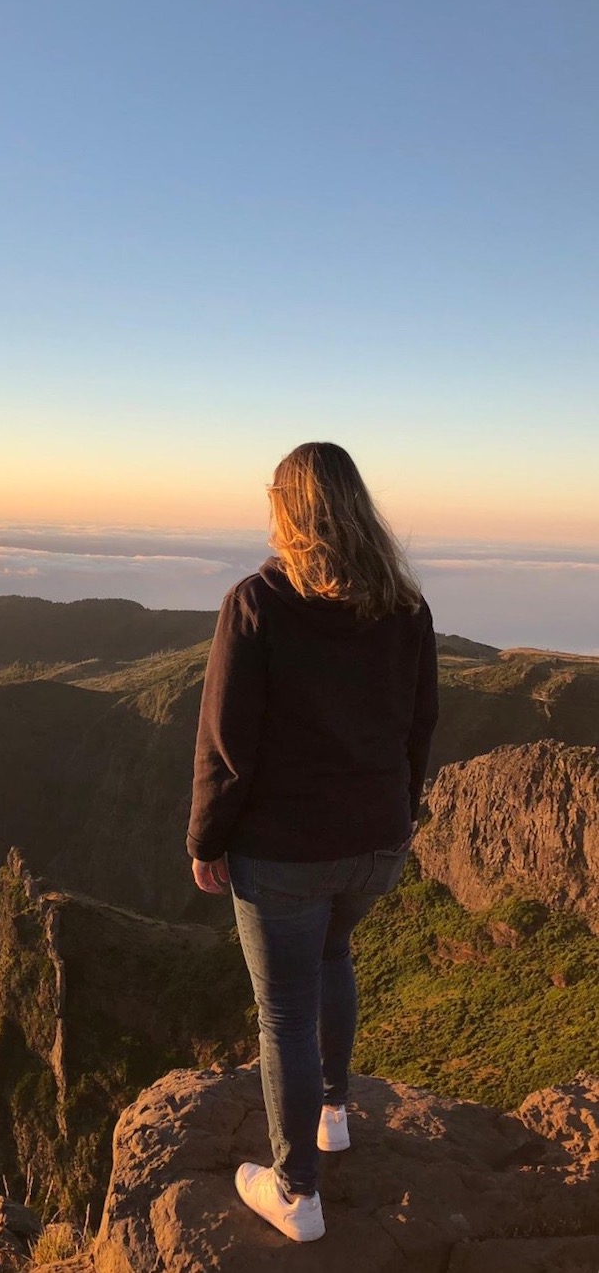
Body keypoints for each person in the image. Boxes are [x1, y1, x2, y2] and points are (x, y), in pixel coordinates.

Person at [186, 440, 439, 1243]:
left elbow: (228, 745)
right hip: (376, 843)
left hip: (286, 851)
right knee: (334, 955)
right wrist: (399, 812)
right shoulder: (407, 607)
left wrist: (206, 839)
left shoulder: (257, 602)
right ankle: (333, 1110)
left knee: (284, 1011)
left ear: (287, 510)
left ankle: (297, 1192)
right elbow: (418, 728)